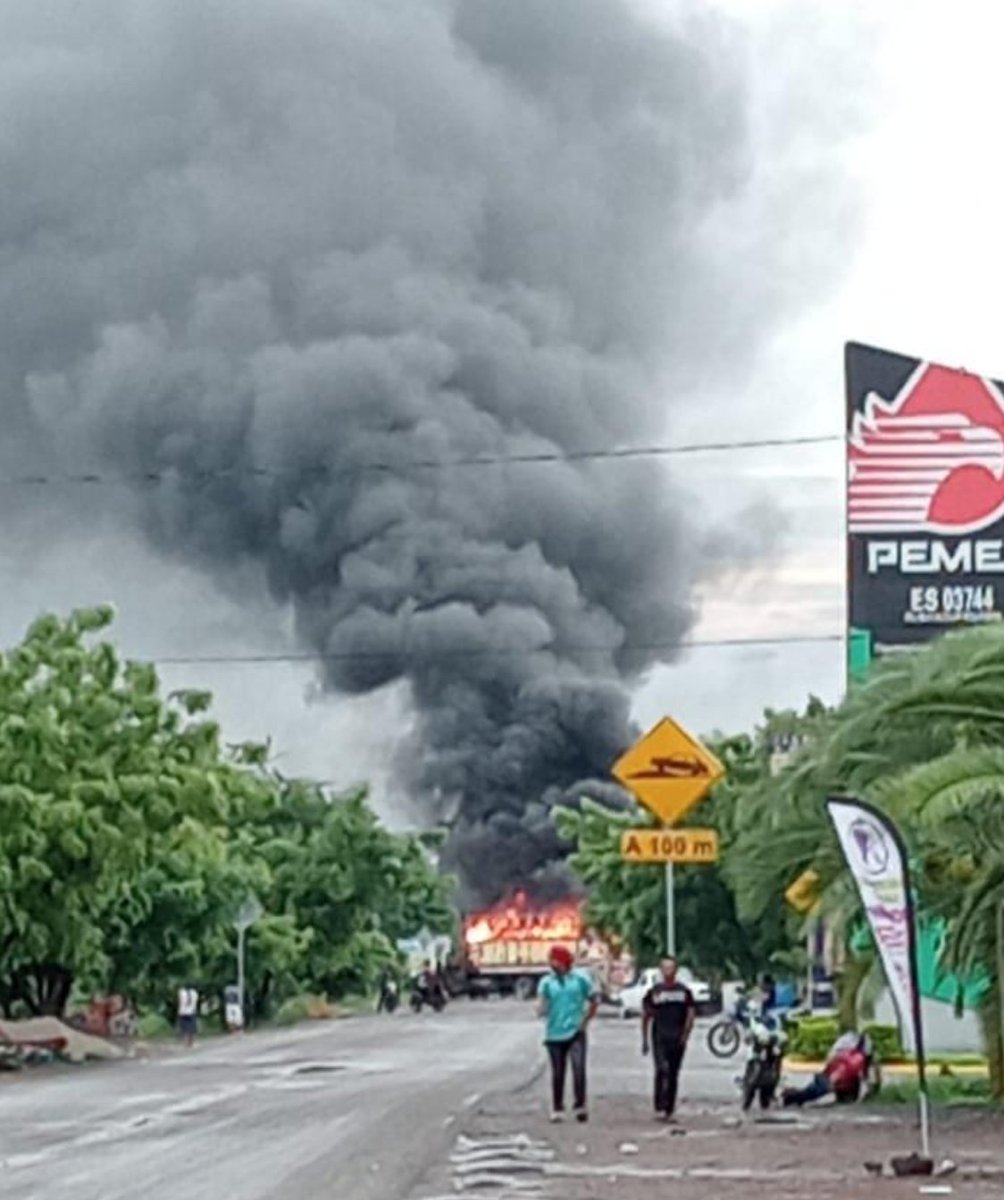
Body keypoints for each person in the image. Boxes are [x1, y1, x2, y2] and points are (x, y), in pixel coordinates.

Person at [537, 945, 598, 1123]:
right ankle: (557, 1107)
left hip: (575, 1031)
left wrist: (585, 1021)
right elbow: (541, 1002)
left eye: (555, 960)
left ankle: (580, 1105)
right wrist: (541, 1008)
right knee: (558, 1072)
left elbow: (594, 999)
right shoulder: (547, 982)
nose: (552, 964)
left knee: (579, 1069)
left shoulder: (580, 979)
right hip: (554, 1033)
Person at [642, 957, 695, 1123]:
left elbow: (690, 1013)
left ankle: (669, 1109)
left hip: (677, 1037)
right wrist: (644, 1039)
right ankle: (659, 1106)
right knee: (661, 1069)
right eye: (665, 968)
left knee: (673, 1073)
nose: (668, 972)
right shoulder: (655, 991)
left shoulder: (684, 991)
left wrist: (686, 1035)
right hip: (659, 1036)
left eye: (671, 968)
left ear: (676, 970)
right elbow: (646, 1015)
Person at [782, 1031, 876, 1107]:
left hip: (835, 1077)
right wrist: (833, 1080)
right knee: (818, 1089)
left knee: (815, 1089)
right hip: (833, 1078)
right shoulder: (857, 1057)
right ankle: (792, 1096)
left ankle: (793, 1096)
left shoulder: (852, 1051)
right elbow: (846, 1068)